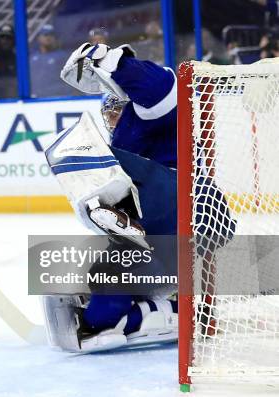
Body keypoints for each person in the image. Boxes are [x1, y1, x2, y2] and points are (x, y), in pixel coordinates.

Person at [43, 42, 181, 353]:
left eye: (118, 109)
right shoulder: (122, 143)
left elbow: (161, 84)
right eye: (110, 112)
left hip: (183, 211)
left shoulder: (149, 112)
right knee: (105, 275)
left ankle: (157, 313)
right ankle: (161, 310)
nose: (113, 117)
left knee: (76, 149)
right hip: (164, 232)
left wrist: (112, 60)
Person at [29, 24, 72, 98]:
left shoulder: (63, 56)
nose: (48, 37)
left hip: (56, 98)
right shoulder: (32, 57)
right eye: (45, 35)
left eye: (51, 35)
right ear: (39, 38)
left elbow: (70, 81)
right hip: (34, 99)